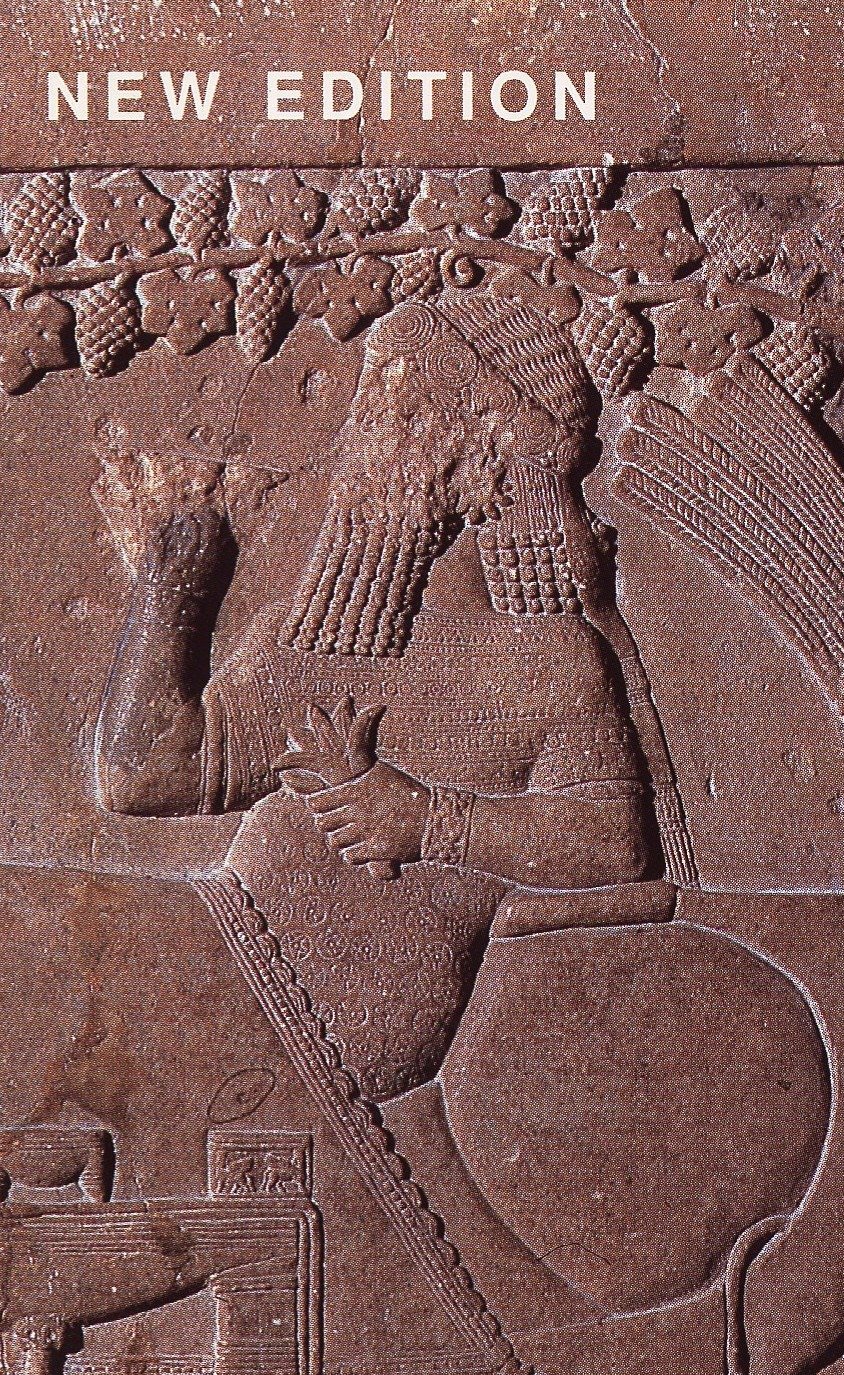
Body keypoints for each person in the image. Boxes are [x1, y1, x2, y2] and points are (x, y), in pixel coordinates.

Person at [95, 280, 654, 1099]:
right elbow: (142, 775)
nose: (364, 441)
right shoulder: (309, 639)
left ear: (482, 457)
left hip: (325, 1023)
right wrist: (170, 582)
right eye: (375, 412)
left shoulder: (553, 659)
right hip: (224, 943)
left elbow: (616, 843)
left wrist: (426, 822)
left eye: (400, 413)